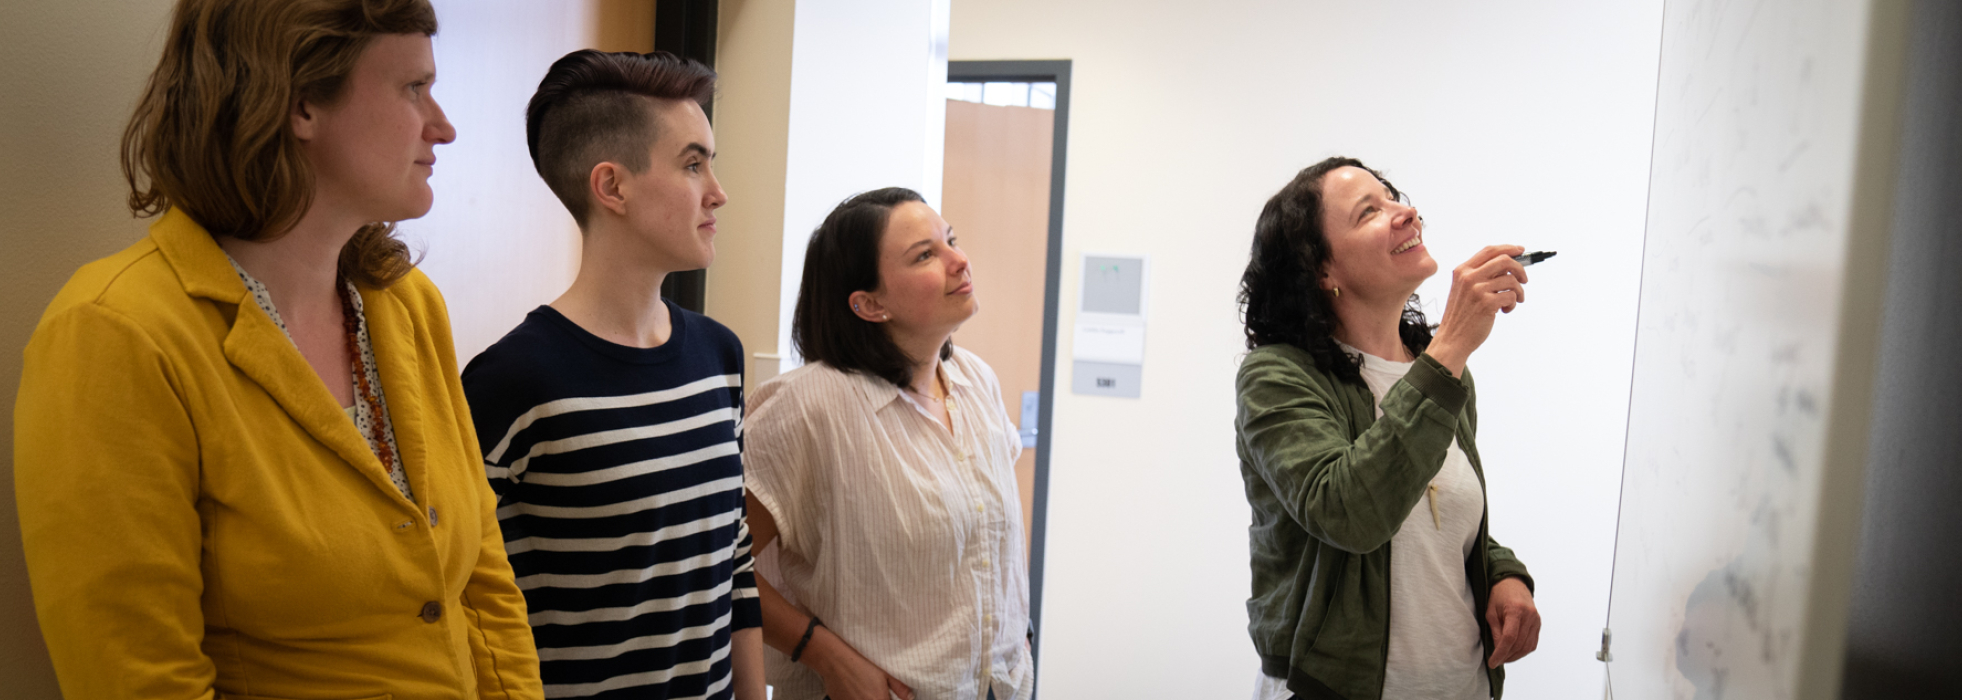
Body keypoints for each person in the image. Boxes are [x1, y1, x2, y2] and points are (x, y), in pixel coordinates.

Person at [12, 1, 543, 698]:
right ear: (300, 105)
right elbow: (142, 679)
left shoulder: (408, 305)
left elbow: (483, 585)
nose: (442, 125)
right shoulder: (117, 335)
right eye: (414, 87)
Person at [461, 50, 765, 700]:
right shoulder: (511, 383)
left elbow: (733, 556)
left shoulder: (719, 357)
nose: (718, 190)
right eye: (692, 163)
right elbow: (465, 600)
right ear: (612, 186)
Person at [1236, 157, 1542, 700]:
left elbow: (1434, 515)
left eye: (1395, 197)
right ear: (1322, 271)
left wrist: (1503, 574)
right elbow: (1350, 513)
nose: (1407, 213)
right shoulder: (1277, 377)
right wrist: (1450, 347)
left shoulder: (1438, 370)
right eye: (1369, 212)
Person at [742, 188, 1032, 700]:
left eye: (950, 241)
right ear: (869, 304)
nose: (959, 261)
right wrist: (824, 654)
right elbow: (719, 565)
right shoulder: (811, 405)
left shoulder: (975, 380)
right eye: (926, 255)